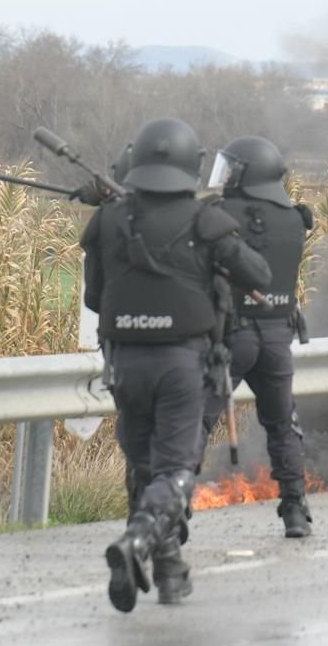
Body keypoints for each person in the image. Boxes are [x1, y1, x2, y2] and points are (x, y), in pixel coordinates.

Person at [80, 117, 270, 612]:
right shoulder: (205, 223)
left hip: (123, 364)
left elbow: (96, 297)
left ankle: (169, 572)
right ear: (191, 165)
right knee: (176, 469)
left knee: (144, 466)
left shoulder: (108, 220)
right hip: (181, 364)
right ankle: (138, 540)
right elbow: (259, 273)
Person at [204, 135, 317, 538]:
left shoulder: (219, 213)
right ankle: (295, 510)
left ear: (247, 172)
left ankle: (171, 508)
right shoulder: (295, 217)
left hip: (231, 335)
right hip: (277, 337)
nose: (227, 175)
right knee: (283, 425)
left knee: (194, 422)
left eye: (232, 168)